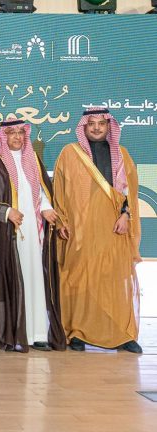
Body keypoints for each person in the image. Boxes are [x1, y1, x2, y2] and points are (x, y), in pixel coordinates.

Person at [53, 108, 142, 353]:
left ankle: (122, 334)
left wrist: (126, 215)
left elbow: (131, 193)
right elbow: (59, 190)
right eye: (91, 123)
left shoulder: (122, 154)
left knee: (113, 279)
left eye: (101, 124)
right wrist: (61, 221)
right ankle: (77, 332)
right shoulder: (70, 153)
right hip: (79, 230)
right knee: (80, 279)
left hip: (113, 228)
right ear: (84, 127)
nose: (96, 128)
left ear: (108, 126)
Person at [0, 119, 65, 352]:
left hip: (34, 233)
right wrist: (7, 212)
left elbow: (41, 191)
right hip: (8, 235)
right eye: (12, 133)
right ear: (3, 136)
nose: (17, 137)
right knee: (16, 280)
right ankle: (17, 334)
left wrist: (46, 207)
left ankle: (38, 333)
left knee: (35, 278)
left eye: (20, 132)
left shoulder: (33, 159)